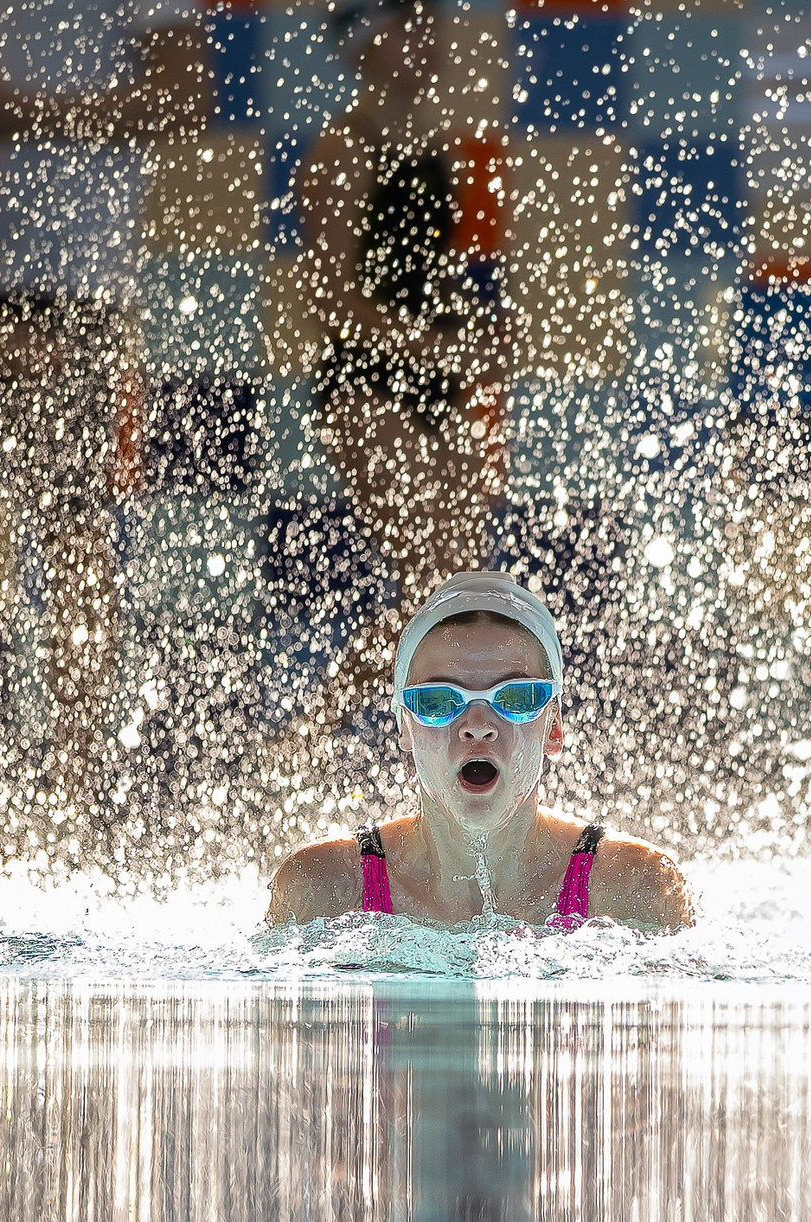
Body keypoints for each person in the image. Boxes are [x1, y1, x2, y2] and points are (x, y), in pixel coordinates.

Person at [0, 0, 213, 799]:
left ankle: (75, 786)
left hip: (77, 290)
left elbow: (186, 100)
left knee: (76, 538)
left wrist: (12, 115)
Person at [285, 0, 507, 743]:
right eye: (406, 23)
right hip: (365, 387)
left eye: (428, 21)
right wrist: (435, 346)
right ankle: (306, 739)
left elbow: (416, 279)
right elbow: (332, 299)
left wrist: (471, 331)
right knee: (436, 594)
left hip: (428, 386)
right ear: (362, 43)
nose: (427, 36)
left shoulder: (430, 148)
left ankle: (315, 740)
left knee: (456, 599)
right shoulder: (342, 152)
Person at [267, 573, 693, 931]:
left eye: (517, 697)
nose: (477, 726)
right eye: (437, 701)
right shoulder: (325, 889)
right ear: (404, 729)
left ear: (555, 727)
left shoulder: (634, 888)